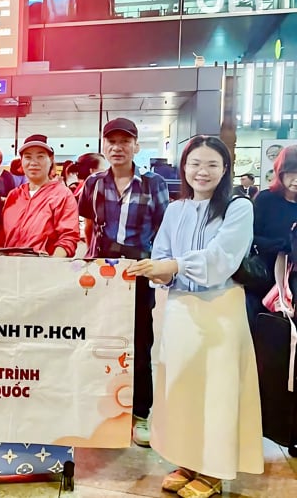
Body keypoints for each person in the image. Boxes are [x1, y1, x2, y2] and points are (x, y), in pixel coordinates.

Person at [127, 136, 263, 498]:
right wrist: (157, 270)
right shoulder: (176, 209)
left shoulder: (238, 207)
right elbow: (161, 253)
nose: (202, 172)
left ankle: (213, 470)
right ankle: (186, 460)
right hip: (180, 309)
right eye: (195, 164)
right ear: (184, 167)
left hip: (220, 309)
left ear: (225, 169)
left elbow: (222, 259)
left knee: (216, 391)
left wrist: (172, 266)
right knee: (181, 388)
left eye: (212, 164)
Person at [78, 117, 168, 448]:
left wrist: (155, 264)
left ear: (136, 146)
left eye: (124, 142)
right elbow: (89, 224)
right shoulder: (94, 183)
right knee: (99, 338)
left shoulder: (153, 183)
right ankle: (101, 406)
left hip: (138, 271)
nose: (117, 148)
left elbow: (163, 228)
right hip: (102, 273)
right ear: (104, 146)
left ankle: (140, 413)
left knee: (140, 342)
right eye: (111, 142)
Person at [2, 135, 79, 256]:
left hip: (43, 265)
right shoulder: (14, 195)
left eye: (40, 156)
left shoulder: (62, 195)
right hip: (9, 265)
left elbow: (68, 238)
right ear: (21, 161)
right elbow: (2, 236)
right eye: (28, 157)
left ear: (50, 160)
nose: (33, 162)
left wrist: (51, 263)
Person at [245, 146, 297, 323]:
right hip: (264, 275)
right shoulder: (266, 199)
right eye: (291, 173)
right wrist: (279, 245)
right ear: (280, 173)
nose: (296, 179)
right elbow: (250, 236)